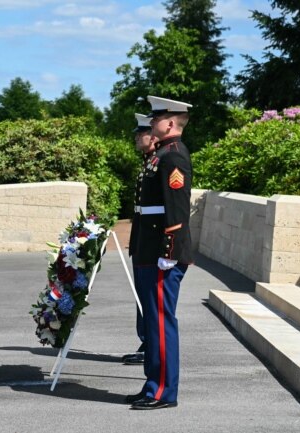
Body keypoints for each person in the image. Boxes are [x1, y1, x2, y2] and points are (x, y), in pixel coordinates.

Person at [126, 96, 193, 410]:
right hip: (149, 252)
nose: (151, 124)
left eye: (156, 118)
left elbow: (176, 210)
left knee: (162, 322)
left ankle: (164, 391)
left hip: (162, 255)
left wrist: (169, 252)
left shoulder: (173, 157)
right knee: (153, 323)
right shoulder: (160, 156)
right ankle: (152, 384)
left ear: (170, 122)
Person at [123, 113, 158, 366]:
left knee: (149, 297)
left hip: (152, 243)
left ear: (153, 137)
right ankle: (146, 341)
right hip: (142, 241)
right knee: (142, 296)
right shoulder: (148, 162)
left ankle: (150, 344)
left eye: (141, 133)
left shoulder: (159, 162)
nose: (136, 137)